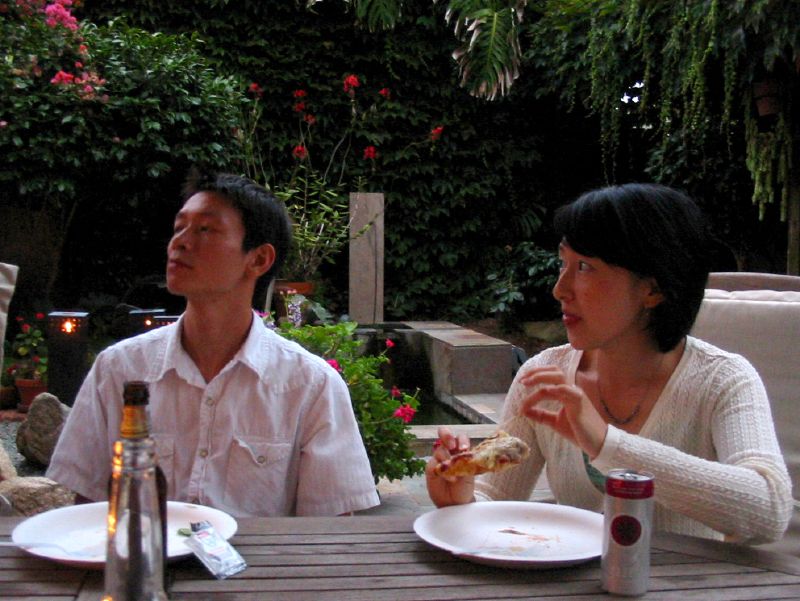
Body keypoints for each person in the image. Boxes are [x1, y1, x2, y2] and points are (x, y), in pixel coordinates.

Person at [427, 183, 792, 544]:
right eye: (563, 264)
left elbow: (769, 510)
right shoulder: (544, 379)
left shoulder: (722, 380)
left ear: (653, 289)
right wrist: (464, 496)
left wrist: (606, 443)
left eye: (584, 267)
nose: (560, 289)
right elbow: (496, 499)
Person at [47, 171, 380, 517]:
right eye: (179, 227)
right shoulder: (119, 369)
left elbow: (327, 531)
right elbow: (87, 506)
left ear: (259, 259)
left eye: (205, 229)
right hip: (145, 565)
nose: (180, 242)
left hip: (262, 570)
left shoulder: (309, 386)